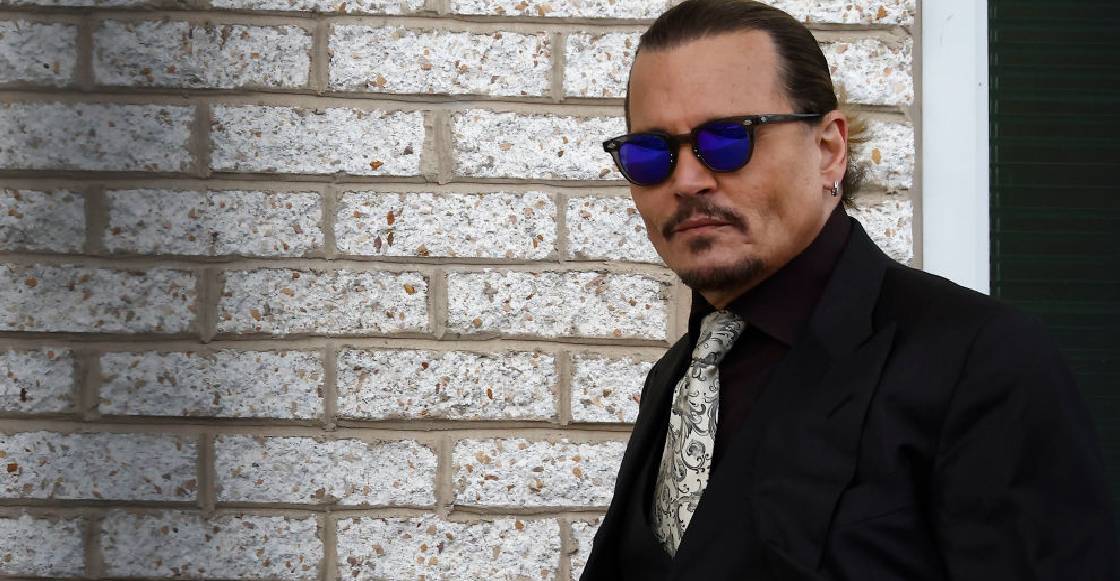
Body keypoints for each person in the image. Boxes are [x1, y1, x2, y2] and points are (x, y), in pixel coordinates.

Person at [580, 1, 1118, 579]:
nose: (687, 180)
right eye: (650, 154)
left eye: (729, 140)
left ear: (829, 150)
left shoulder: (980, 360)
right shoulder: (678, 376)